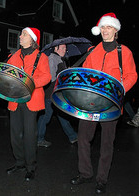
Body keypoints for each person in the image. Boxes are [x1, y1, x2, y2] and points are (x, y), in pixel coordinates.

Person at [70, 13, 137, 194]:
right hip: (90, 103)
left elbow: (132, 75)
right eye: (103, 28)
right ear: (99, 30)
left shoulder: (124, 51)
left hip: (111, 104)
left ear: (115, 30)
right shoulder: (93, 51)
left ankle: (102, 179)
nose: (105, 31)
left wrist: (120, 87)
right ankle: (85, 173)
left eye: (108, 27)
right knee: (83, 138)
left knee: (107, 143)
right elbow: (84, 73)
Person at [6, 27, 51, 181]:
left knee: (30, 135)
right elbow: (7, 75)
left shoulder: (41, 57)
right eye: (21, 34)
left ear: (31, 39)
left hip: (32, 100)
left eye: (24, 34)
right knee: (15, 135)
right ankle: (19, 162)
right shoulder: (14, 56)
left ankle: (30, 167)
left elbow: (46, 77)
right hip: (15, 100)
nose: (20, 36)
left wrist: (29, 82)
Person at [37, 44, 78, 147]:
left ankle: (73, 137)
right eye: (63, 48)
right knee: (45, 117)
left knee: (62, 115)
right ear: (56, 48)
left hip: (58, 94)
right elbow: (50, 77)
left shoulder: (60, 59)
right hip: (50, 93)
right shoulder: (52, 57)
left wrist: (67, 72)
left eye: (65, 48)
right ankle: (39, 139)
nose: (65, 50)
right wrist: (64, 73)